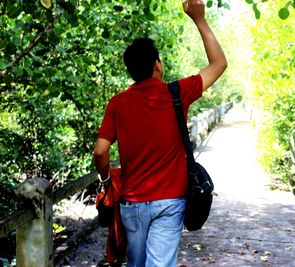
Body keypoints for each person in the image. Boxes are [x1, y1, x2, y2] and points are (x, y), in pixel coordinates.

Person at [93, 0, 227, 266]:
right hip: (169, 203)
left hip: (131, 203)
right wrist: (199, 19)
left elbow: (100, 151)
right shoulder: (177, 93)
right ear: (157, 65)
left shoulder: (117, 103)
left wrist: (106, 178)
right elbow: (219, 63)